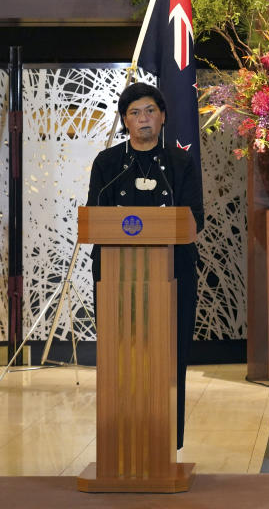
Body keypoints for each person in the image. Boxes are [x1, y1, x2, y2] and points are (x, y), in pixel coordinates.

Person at [86, 82, 204, 450]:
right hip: (117, 278)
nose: (143, 119)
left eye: (150, 110)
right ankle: (119, 436)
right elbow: (95, 217)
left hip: (173, 274)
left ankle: (166, 439)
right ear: (125, 120)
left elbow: (195, 218)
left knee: (171, 355)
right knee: (122, 355)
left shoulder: (180, 164)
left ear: (163, 116)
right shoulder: (107, 164)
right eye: (135, 113)